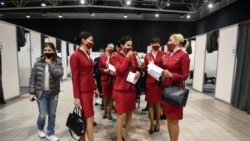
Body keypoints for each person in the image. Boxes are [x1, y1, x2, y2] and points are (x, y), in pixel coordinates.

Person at [28, 42, 63, 141]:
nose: (47, 52)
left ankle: (50, 133)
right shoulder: (38, 62)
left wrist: (51, 64)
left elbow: (59, 75)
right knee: (43, 113)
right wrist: (31, 92)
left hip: (53, 93)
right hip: (41, 93)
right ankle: (40, 128)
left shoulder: (58, 61)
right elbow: (32, 78)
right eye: (45, 50)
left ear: (53, 51)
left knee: (52, 114)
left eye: (49, 50)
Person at [111, 36, 141, 141]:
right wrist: (127, 57)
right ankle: (119, 138)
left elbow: (136, 68)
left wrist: (138, 73)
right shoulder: (115, 57)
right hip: (120, 89)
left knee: (129, 114)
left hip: (131, 89)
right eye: (128, 45)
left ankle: (126, 136)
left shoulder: (133, 56)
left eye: (131, 45)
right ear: (121, 46)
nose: (130, 47)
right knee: (121, 115)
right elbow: (120, 71)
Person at [162, 34, 190, 141]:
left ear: (177, 41)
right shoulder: (169, 55)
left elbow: (185, 75)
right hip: (167, 89)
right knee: (169, 118)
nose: (168, 42)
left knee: (174, 120)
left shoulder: (183, 56)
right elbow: (167, 69)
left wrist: (172, 75)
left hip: (176, 91)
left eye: (170, 40)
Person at [70, 31, 96, 141]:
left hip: (90, 90)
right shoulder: (75, 55)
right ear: (83, 40)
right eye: (90, 40)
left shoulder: (87, 54)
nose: (92, 42)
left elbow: (90, 73)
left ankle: (82, 139)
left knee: (85, 118)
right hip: (83, 91)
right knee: (90, 119)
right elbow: (74, 77)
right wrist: (76, 97)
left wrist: (95, 87)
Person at [143, 38, 167, 134]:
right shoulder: (147, 56)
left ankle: (158, 123)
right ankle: (151, 124)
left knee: (158, 104)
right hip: (150, 82)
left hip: (159, 82)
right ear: (151, 44)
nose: (156, 44)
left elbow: (165, 67)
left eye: (158, 43)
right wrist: (143, 67)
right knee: (150, 104)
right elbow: (145, 69)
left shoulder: (163, 54)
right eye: (154, 43)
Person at [99, 43, 115, 120]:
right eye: (109, 47)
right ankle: (105, 111)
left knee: (111, 97)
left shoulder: (114, 57)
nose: (111, 48)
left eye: (112, 47)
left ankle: (110, 113)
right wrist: (104, 70)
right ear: (107, 47)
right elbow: (99, 67)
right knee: (105, 97)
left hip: (112, 79)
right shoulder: (102, 57)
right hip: (105, 79)